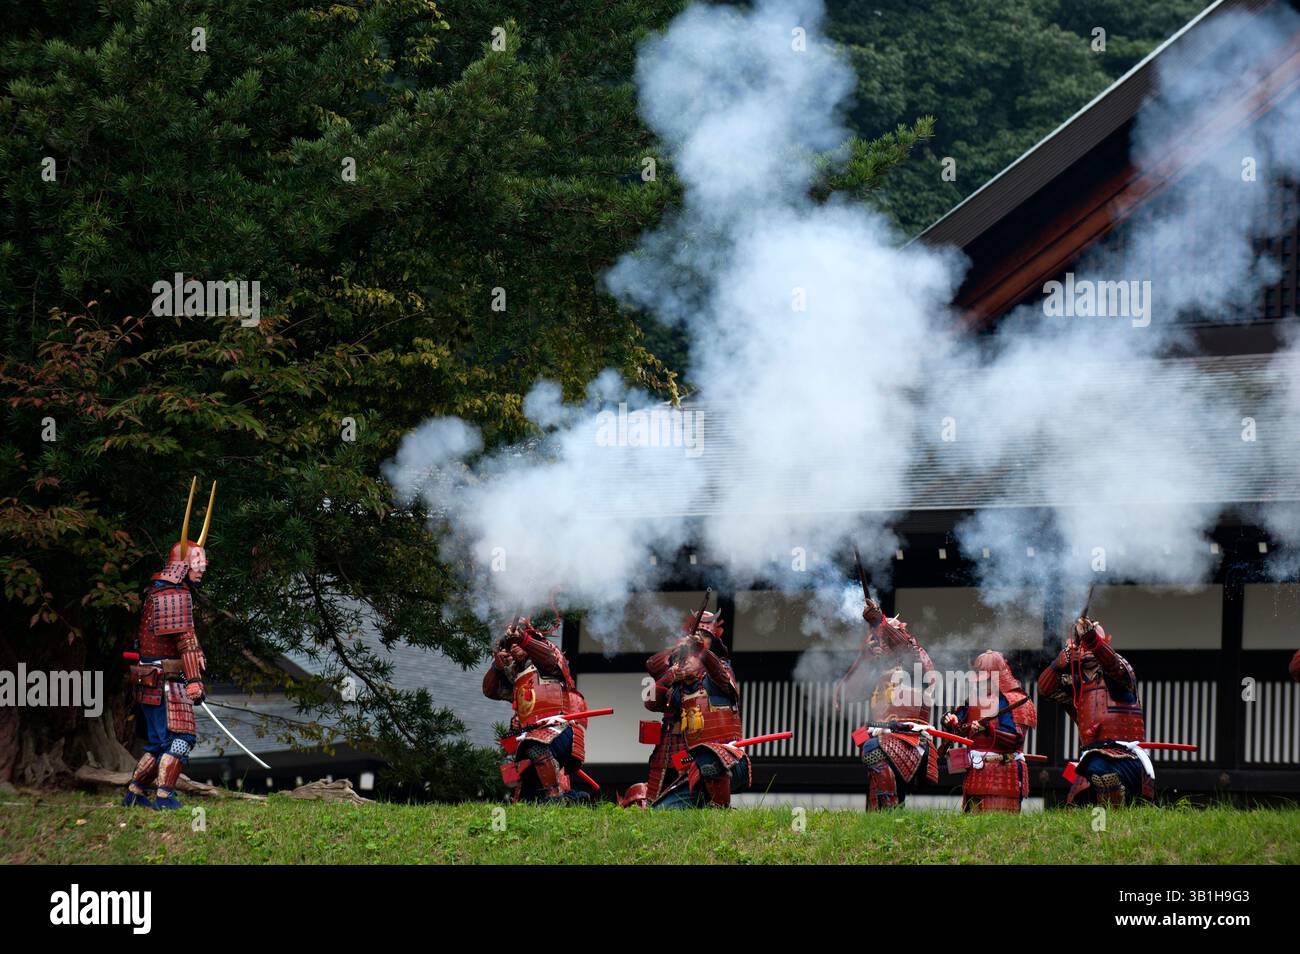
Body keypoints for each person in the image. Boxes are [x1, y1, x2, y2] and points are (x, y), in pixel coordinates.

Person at [123, 478, 215, 810]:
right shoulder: (174, 594)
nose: (202, 570)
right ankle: (164, 797)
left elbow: (178, 640)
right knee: (180, 740)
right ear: (182, 564)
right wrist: (194, 681)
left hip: (153, 678)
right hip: (165, 682)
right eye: (197, 564)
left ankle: (134, 792)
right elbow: (185, 640)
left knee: (160, 742)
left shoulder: (159, 590)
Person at [1038, 616, 1153, 806]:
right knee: (1082, 805)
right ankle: (1099, 832)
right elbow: (1045, 690)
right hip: (1091, 761)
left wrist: (1091, 638)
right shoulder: (1076, 684)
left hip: (1125, 757)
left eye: (1090, 645)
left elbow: (1112, 665)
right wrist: (1057, 665)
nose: (1086, 650)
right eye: (1083, 646)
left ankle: (1114, 818)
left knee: (1100, 767)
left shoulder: (1120, 671)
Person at [841, 598, 939, 810]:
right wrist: (868, 658)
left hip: (910, 738)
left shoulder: (916, 661)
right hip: (886, 736)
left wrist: (881, 622)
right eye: (875, 642)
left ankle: (891, 809)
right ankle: (885, 817)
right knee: (875, 778)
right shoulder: (879, 671)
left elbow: (906, 648)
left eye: (883, 642)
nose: (879, 646)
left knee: (872, 749)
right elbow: (851, 693)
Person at [483, 612, 591, 803]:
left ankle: (555, 798)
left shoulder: (548, 652)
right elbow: (490, 691)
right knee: (525, 794)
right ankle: (572, 800)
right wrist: (496, 667)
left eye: (515, 643)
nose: (513, 650)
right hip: (530, 734)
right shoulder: (517, 678)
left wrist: (524, 640)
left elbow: (549, 660)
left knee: (534, 746)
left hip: (558, 728)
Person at [648, 608, 750, 808]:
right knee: (658, 806)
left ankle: (718, 809)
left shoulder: (720, 669)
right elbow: (651, 700)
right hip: (677, 748)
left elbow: (721, 677)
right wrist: (672, 674)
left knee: (708, 763)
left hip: (717, 755)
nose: (689, 659)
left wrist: (701, 652)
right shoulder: (679, 681)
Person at [941, 650, 1037, 813]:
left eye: (984, 680)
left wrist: (989, 729)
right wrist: (949, 720)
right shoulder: (973, 700)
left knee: (1001, 828)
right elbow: (957, 727)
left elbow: (1015, 739)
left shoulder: (1014, 700)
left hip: (1003, 770)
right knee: (970, 827)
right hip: (975, 772)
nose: (979, 684)